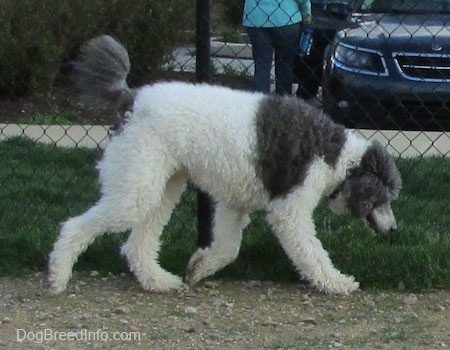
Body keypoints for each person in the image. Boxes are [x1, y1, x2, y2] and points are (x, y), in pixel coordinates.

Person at [243, 0, 312, 95]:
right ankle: (283, 101)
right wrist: (306, 13)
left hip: (255, 17)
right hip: (287, 16)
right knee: (285, 64)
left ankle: (259, 101)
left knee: (261, 64)